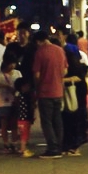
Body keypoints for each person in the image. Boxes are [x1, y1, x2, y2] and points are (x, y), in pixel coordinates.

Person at [32, 27, 69, 158]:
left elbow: (37, 75)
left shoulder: (40, 52)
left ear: (38, 41)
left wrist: (37, 86)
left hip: (45, 91)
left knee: (46, 121)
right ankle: (59, 146)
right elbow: (65, 71)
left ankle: (52, 148)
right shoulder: (60, 50)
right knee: (57, 119)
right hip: (58, 90)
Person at [61, 34, 88, 154]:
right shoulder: (76, 61)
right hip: (75, 94)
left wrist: (61, 80)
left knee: (71, 119)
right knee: (71, 119)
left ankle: (72, 145)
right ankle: (71, 145)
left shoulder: (72, 63)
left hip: (74, 94)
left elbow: (78, 78)